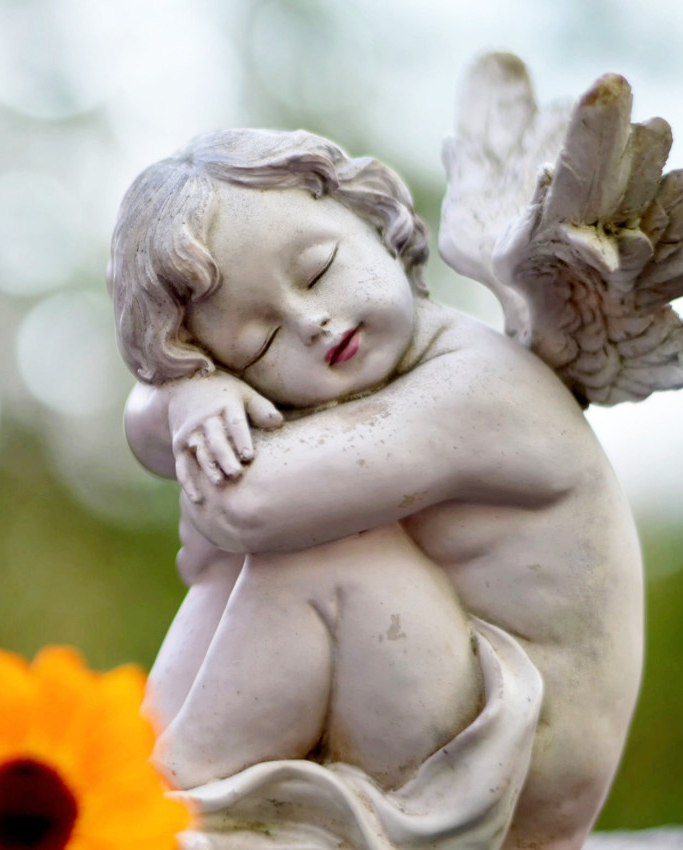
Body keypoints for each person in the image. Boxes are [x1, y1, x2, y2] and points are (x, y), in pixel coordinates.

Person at [109, 129, 644, 850]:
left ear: (369, 218)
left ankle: (156, 815)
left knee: (320, 546)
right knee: (242, 533)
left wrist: (192, 404)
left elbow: (249, 504)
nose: (310, 322)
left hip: (518, 778)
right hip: (431, 704)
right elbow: (146, 431)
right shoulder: (364, 380)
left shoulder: (477, 389)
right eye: (258, 345)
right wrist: (188, 396)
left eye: (319, 269)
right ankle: (132, 793)